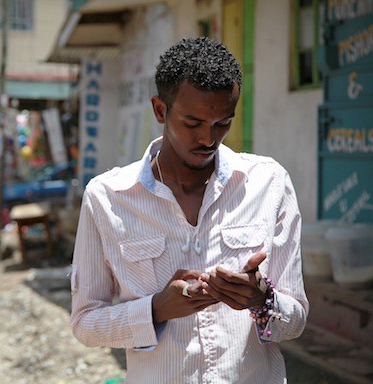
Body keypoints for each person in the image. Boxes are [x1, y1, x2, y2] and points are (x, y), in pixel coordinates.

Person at [70, 37, 308, 383]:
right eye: (193, 123)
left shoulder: (269, 184)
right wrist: (155, 310)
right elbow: (84, 323)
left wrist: (262, 301)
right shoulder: (107, 198)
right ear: (160, 110)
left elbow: (297, 317)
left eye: (222, 123)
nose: (209, 139)